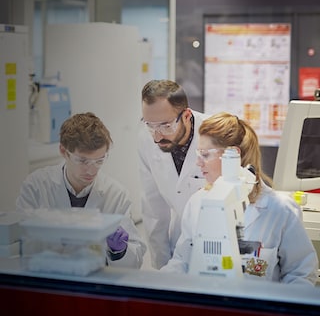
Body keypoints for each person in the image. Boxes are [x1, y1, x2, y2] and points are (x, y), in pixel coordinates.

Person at [161, 112, 318, 286]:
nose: (198, 163)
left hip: (257, 310)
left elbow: (301, 275)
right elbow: (182, 262)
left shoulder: (280, 209)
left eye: (205, 154)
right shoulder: (198, 203)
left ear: (232, 156)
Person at [17, 112, 146, 268]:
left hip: (95, 282)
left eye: (99, 161)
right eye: (83, 161)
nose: (91, 170)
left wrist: (119, 250)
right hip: (45, 277)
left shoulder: (116, 194)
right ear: (64, 151)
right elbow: (20, 243)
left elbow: (135, 260)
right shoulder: (36, 186)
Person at [138, 80, 209, 269]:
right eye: (150, 125)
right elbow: (154, 208)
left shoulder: (214, 134)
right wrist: (161, 265)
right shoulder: (146, 140)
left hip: (219, 238)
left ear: (186, 116)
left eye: (166, 126)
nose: (157, 136)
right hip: (179, 242)